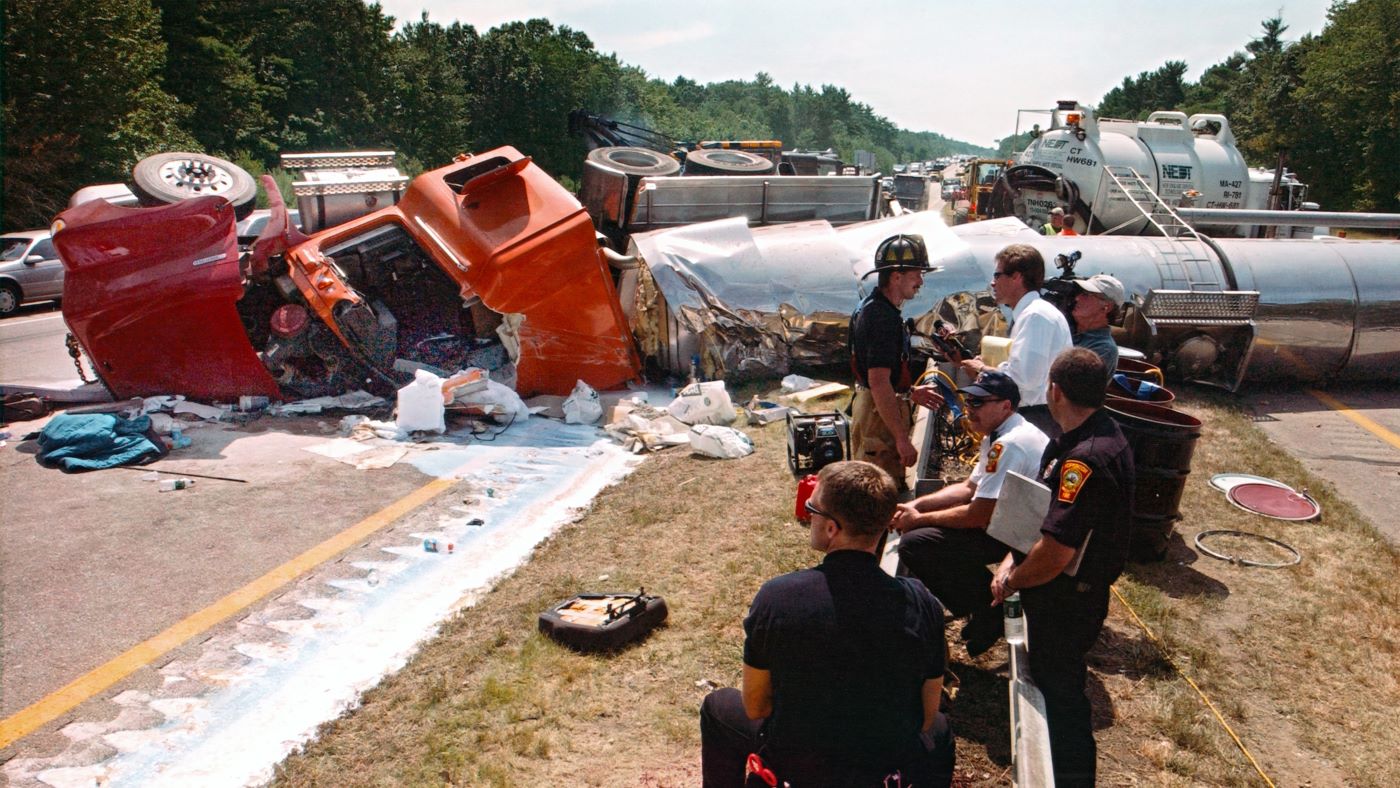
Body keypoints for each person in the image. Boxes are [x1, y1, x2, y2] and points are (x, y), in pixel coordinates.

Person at [700, 461, 955, 787]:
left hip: (799, 763)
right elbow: (927, 716)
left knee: (717, 706)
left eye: (812, 509)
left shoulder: (777, 597)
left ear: (832, 528)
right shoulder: (921, 603)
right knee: (941, 731)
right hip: (882, 761)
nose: (809, 517)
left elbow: (755, 706)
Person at [989, 348, 1134, 786]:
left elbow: (1056, 552)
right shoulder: (1082, 436)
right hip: (1060, 592)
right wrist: (1012, 556)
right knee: (1053, 685)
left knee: (1062, 695)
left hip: (1068, 602)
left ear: (1054, 390)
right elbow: (1040, 511)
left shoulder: (1084, 460)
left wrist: (1012, 580)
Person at [893, 370, 1048, 658]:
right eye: (968, 402)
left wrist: (919, 519)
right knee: (929, 537)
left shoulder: (1009, 444)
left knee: (917, 544)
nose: (969, 410)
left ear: (1006, 405)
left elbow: (978, 515)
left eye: (978, 403)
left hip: (1026, 536)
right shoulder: (1001, 432)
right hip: (1015, 522)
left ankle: (988, 611)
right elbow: (969, 487)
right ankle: (982, 608)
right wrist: (919, 506)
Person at [849, 234, 946, 488]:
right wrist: (902, 439)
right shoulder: (881, 318)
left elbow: (882, 377)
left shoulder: (875, 308)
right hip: (878, 416)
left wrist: (909, 392)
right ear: (896, 276)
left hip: (876, 409)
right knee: (879, 492)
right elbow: (879, 382)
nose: (921, 281)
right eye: (917, 274)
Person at [962, 244, 1072, 436]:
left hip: (1037, 416)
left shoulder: (1036, 316)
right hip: (1036, 413)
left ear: (1017, 277)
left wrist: (982, 369)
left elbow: (1025, 378)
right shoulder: (1032, 314)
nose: (992, 283)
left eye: (997, 275)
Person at [1070, 274, 1126, 382]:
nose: (1077, 298)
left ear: (1106, 307)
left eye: (1086, 295)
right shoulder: (1069, 329)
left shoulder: (1104, 350)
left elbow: (1073, 389)